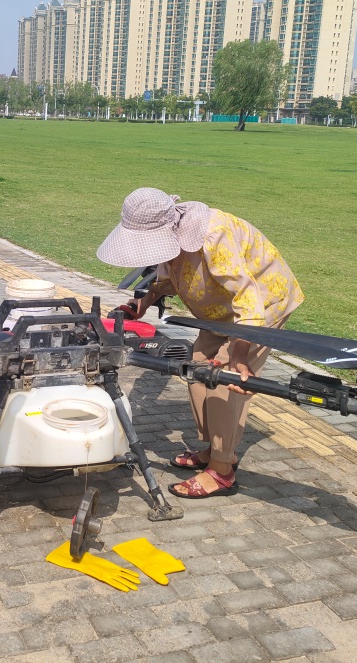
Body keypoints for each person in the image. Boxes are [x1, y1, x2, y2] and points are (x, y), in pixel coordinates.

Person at [97, 188, 303, 499]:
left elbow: (248, 297)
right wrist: (143, 303)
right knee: (197, 367)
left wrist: (240, 353)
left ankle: (222, 471)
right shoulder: (175, 237)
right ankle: (215, 449)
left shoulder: (214, 236)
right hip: (219, 310)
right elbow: (171, 276)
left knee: (224, 379)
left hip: (261, 304)